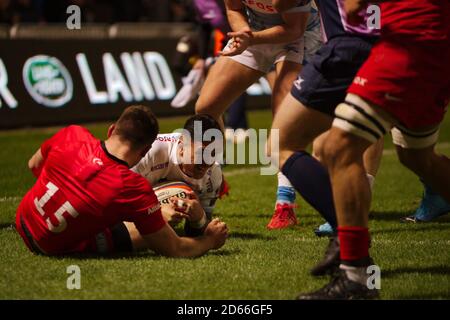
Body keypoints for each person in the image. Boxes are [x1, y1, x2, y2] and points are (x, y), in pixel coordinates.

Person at [297, 0, 450, 299]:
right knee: (417, 157)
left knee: (339, 147)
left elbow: (354, 7)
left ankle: (356, 276)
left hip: (410, 38)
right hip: (433, 39)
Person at [16, 105, 228, 256]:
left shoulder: (73, 134)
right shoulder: (130, 186)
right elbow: (175, 248)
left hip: (22, 219)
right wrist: (209, 240)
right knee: (148, 231)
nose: (206, 161)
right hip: (50, 246)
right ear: (145, 151)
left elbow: (34, 165)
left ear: (111, 130)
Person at [268, 0, 383, 275]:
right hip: (389, 49)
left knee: (280, 145)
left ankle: (349, 234)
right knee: (341, 149)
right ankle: (354, 264)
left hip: (347, 47)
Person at [195, 0, 312, 230]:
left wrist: (253, 38)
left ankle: (285, 203)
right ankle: (213, 180)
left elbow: (294, 28)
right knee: (206, 107)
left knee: (284, 113)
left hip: (298, 37)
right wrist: (243, 32)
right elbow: (234, 9)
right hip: (255, 34)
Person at [132, 114, 228, 236]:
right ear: (182, 146)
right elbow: (117, 201)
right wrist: (155, 212)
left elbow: (198, 233)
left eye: (213, 153)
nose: (208, 161)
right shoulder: (150, 151)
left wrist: (198, 219)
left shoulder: (213, 175)